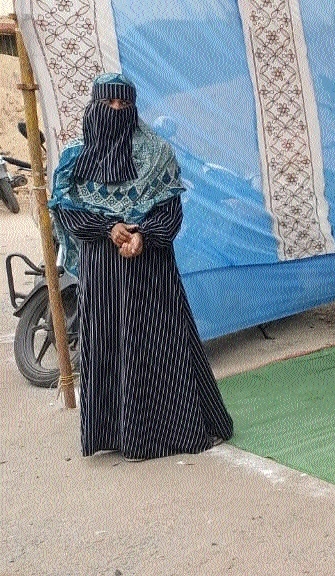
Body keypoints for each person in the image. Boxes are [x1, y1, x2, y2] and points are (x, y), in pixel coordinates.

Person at [48, 73, 233, 461]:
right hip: (102, 272)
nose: (117, 112)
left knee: (161, 343)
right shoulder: (74, 158)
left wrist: (143, 237)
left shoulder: (157, 154)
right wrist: (109, 228)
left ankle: (173, 431)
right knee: (110, 343)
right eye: (109, 105)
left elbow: (171, 212)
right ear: (94, 108)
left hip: (150, 267)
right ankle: (116, 433)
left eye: (124, 105)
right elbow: (69, 215)